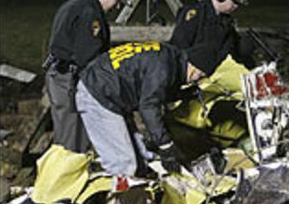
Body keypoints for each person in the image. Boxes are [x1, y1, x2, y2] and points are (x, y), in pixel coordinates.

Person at [75, 41, 223, 176]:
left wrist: (182, 94)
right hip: (98, 94)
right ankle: (113, 203)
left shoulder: (169, 56)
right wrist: (165, 145)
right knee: (123, 163)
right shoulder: (164, 69)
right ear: (193, 65)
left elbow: (152, 87)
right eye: (200, 74)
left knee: (143, 157)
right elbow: (149, 106)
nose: (197, 78)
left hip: (109, 89)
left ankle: (138, 198)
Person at [43, 0, 133, 154]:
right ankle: (62, 179)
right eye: (118, 1)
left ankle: (71, 174)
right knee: (70, 139)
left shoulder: (75, 4)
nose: (117, 7)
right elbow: (90, 58)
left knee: (74, 134)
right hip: (69, 79)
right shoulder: (89, 14)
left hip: (62, 76)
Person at [170, 0, 255, 69]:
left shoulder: (226, 21)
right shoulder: (195, 15)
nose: (236, 6)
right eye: (234, 1)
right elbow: (178, 48)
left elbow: (231, 52)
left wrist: (243, 47)